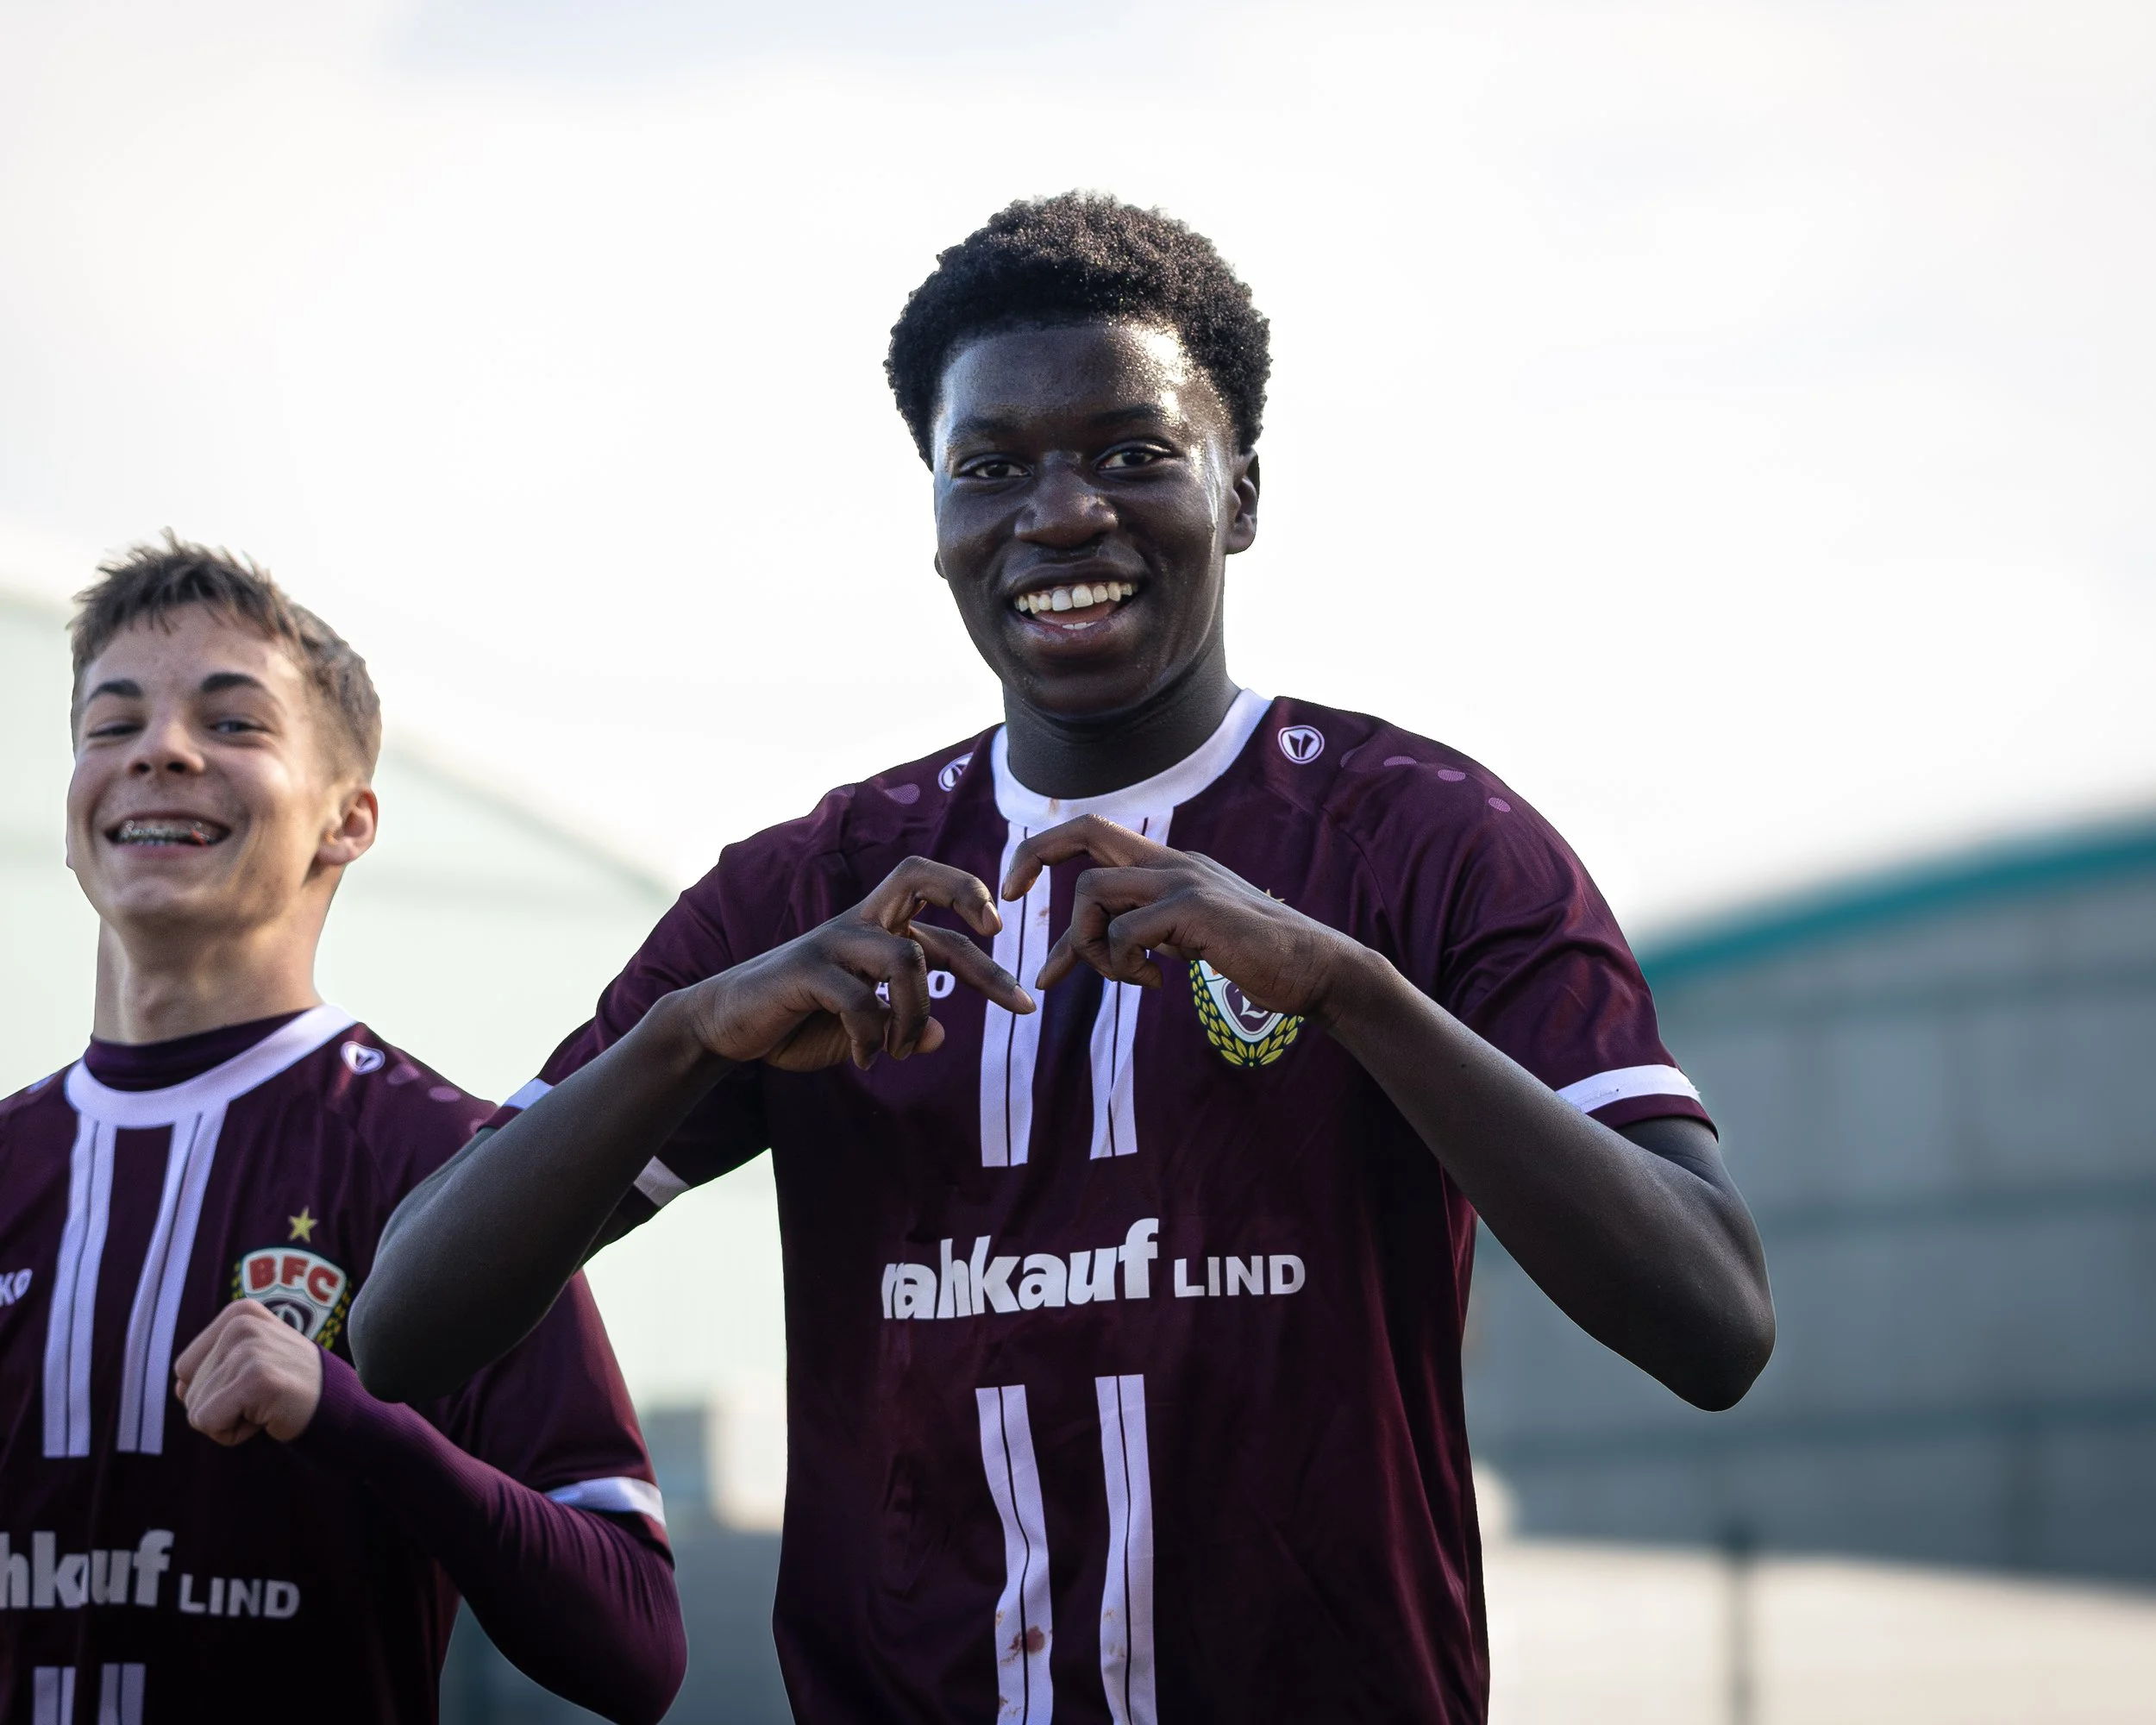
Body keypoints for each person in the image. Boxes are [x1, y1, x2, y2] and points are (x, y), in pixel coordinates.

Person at [352, 195, 1776, 1723]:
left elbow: (1713, 1323)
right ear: (939, 520)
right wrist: (686, 1040)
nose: (1060, 514)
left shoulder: (1423, 839)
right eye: (992, 469)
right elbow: (404, 1327)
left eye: (1130, 453)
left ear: (1239, 494)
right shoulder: (814, 888)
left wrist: (1357, 994)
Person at [0, 538, 686, 1724]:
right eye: (112, 727)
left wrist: (357, 1423)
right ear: (73, 809)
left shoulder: (450, 1169)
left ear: (348, 821)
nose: (160, 750)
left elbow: (637, 1647)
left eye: (234, 724)